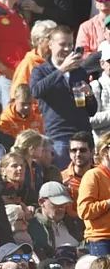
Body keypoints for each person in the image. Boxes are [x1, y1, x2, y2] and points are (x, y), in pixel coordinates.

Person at [30, 26, 97, 168]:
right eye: (62, 44)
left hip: (83, 134)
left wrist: (90, 96)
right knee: (64, 179)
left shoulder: (79, 71)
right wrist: (61, 70)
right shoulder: (40, 70)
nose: (67, 49)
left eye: (70, 45)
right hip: (59, 135)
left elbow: (91, 110)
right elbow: (35, 91)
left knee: (86, 180)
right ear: (51, 45)